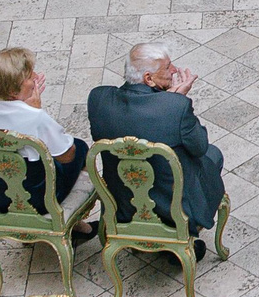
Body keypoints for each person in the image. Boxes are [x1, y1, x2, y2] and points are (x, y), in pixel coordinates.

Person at [86, 42, 224, 254]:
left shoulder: (98, 99)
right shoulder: (175, 107)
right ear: (149, 78)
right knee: (213, 154)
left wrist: (168, 101)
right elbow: (199, 146)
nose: (175, 70)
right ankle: (183, 233)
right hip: (172, 209)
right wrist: (175, 101)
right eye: (168, 68)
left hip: (123, 205)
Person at [0, 47, 94, 241]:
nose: (36, 78)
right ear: (14, 92)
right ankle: (75, 224)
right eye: (31, 77)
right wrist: (36, 112)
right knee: (79, 147)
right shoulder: (35, 118)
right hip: (37, 199)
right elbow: (66, 156)